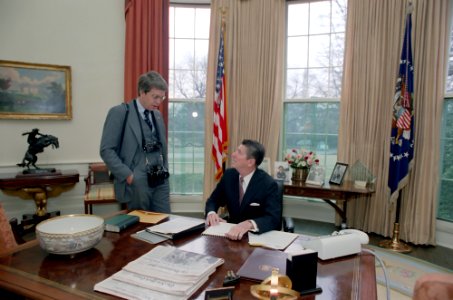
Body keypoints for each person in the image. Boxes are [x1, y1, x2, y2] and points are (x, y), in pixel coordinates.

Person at [100, 71, 170, 212]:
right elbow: (106, 150)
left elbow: (162, 147)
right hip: (137, 181)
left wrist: (166, 169)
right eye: (155, 97)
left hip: (160, 179)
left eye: (161, 98)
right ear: (142, 92)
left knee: (165, 222)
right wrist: (129, 176)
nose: (158, 102)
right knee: (139, 226)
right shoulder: (120, 112)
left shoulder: (157, 115)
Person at [205, 139, 282, 240]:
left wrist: (250, 224)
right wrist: (211, 213)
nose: (233, 154)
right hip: (230, 235)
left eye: (239, 152)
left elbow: (273, 218)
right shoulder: (229, 175)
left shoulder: (268, 184)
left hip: (255, 239)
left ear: (250, 162)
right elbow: (213, 200)